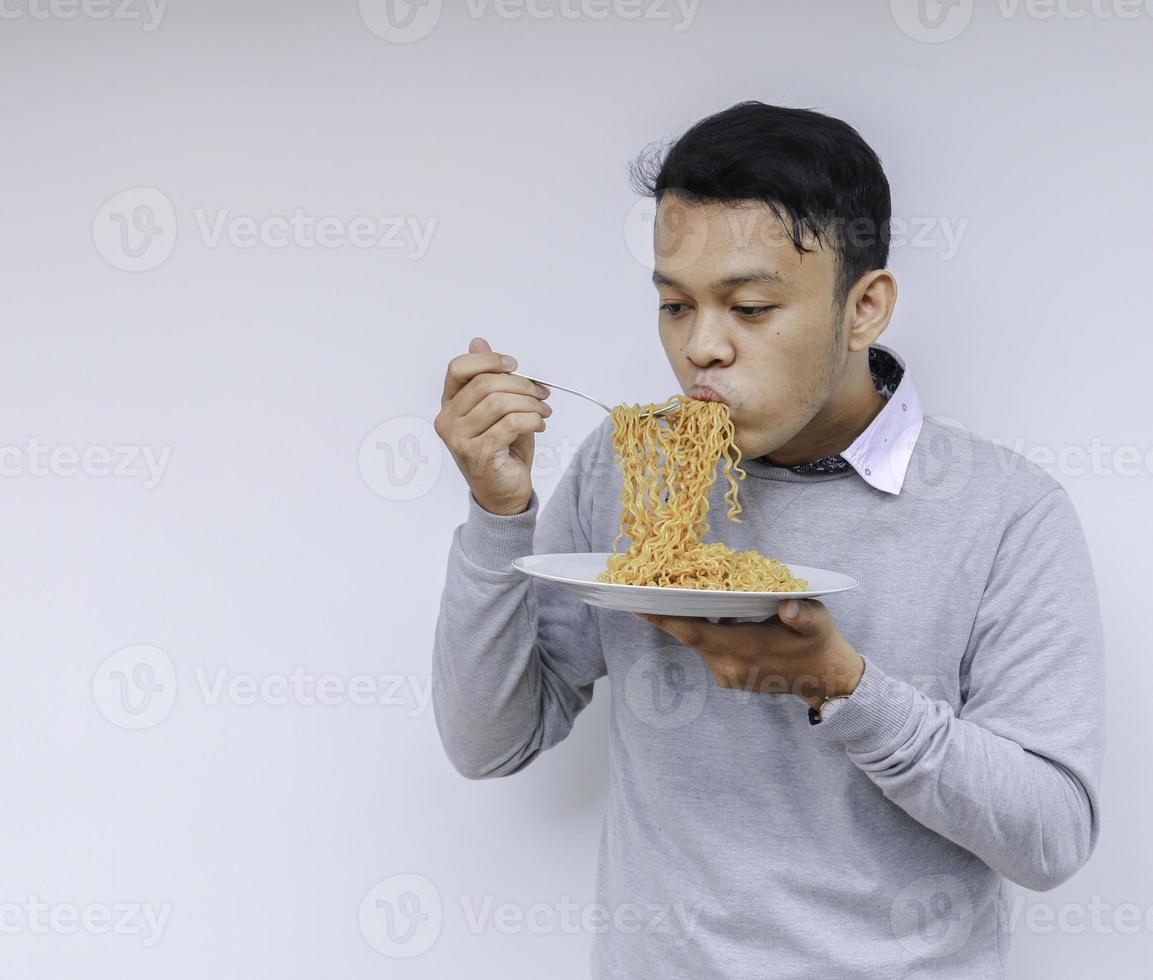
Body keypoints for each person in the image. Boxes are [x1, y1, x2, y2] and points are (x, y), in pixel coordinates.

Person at [430, 100, 1105, 978]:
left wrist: (842, 687)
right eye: (676, 305)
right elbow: (491, 741)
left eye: (749, 308)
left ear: (865, 308)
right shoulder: (629, 469)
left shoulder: (1006, 511)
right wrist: (496, 513)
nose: (700, 348)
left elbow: (1052, 837)